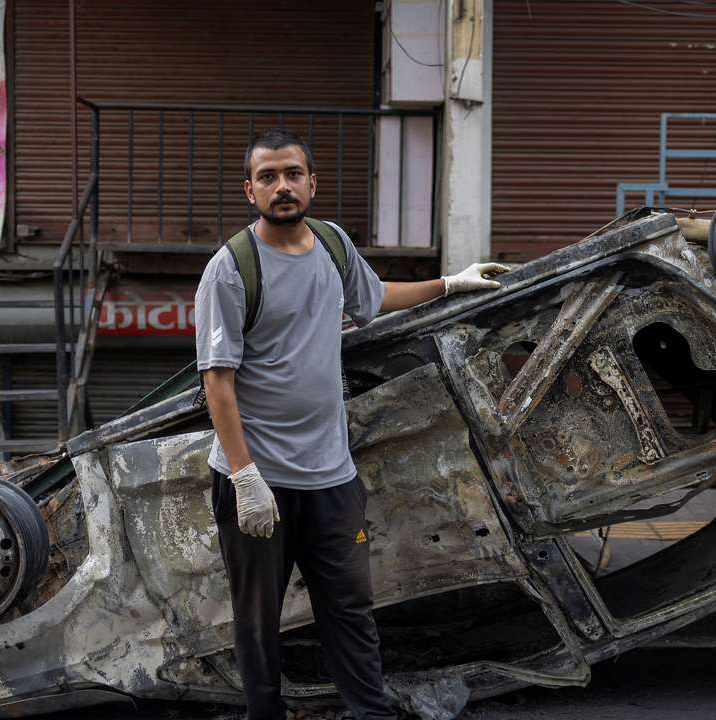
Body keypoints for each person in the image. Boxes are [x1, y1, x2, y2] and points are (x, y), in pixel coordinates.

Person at [194, 128, 508, 720]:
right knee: (257, 621)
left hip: (331, 478)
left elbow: (374, 297)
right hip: (258, 480)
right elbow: (217, 379)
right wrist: (243, 477)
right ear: (249, 190)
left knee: (350, 612)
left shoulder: (334, 245)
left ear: (312, 182)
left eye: (292, 174)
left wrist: (450, 283)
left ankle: (372, 715)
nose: (281, 187)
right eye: (268, 177)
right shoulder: (231, 269)